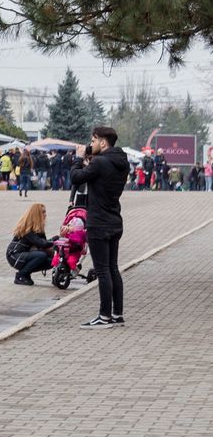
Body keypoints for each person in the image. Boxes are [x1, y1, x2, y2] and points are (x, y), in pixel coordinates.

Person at [70, 127, 130, 328]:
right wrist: (89, 162)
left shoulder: (101, 162)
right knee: (113, 268)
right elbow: (98, 178)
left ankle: (104, 316)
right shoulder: (120, 162)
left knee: (102, 270)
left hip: (98, 221)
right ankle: (117, 314)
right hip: (114, 220)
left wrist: (78, 159)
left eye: (93, 140)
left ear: (103, 143)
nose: (91, 144)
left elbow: (76, 178)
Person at [7, 203, 54, 285]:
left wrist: (56, 240)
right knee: (41, 255)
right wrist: (55, 240)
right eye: (43, 212)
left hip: (24, 254)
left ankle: (26, 273)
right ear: (37, 214)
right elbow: (41, 243)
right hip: (14, 255)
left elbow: (44, 244)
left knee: (51, 261)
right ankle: (20, 275)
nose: (45, 214)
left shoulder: (38, 229)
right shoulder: (27, 229)